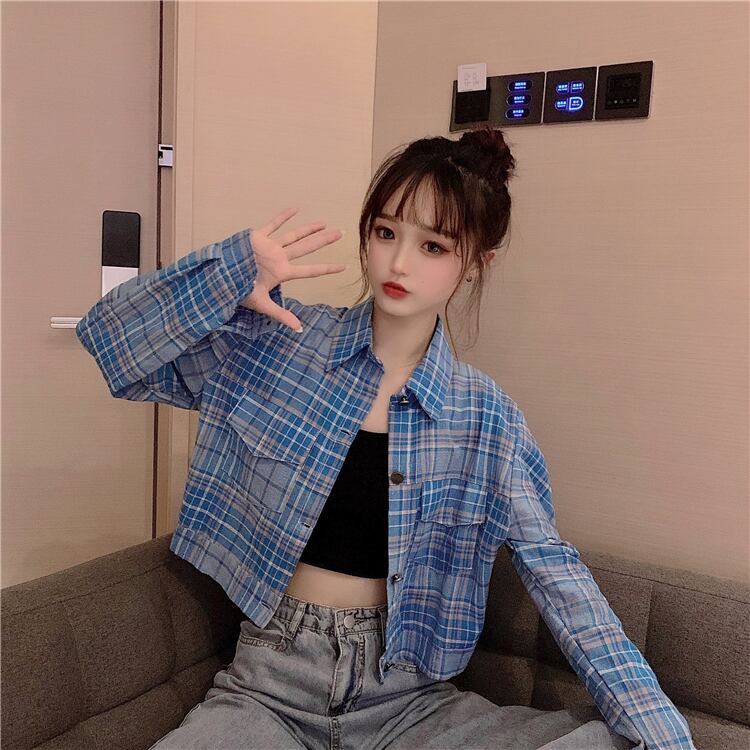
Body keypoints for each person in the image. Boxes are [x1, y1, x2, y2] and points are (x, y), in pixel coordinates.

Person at [76, 125, 696, 750]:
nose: (399, 263)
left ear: (476, 262)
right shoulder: (277, 343)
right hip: (270, 689)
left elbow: (558, 578)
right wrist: (228, 274)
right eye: (386, 232)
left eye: (434, 246)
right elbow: (111, 347)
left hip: (410, 704)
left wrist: (663, 733)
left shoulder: (487, 418)